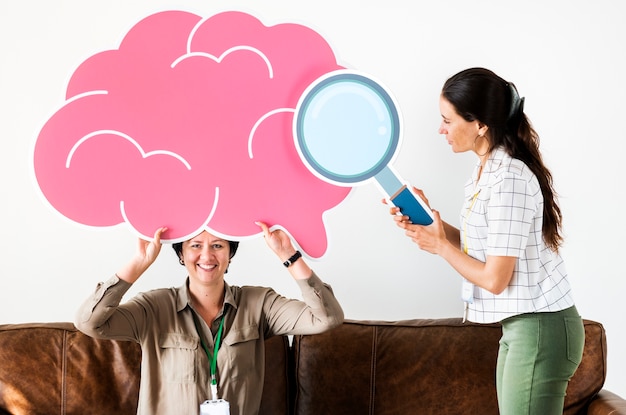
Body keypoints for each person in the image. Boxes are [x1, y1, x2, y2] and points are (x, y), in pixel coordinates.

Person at [390, 67, 584, 414]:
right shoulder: (486, 172)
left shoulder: (508, 177)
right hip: (523, 327)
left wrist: (441, 246)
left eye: (447, 121)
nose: (440, 129)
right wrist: (432, 221)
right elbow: (491, 247)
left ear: (480, 124)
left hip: (539, 327)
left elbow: (496, 278)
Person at [75, 222, 344, 415]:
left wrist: (290, 256)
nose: (207, 256)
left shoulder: (259, 303)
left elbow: (327, 318)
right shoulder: (153, 308)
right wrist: (138, 263)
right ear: (181, 254)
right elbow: (90, 322)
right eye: (195, 246)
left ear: (230, 254)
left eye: (217, 245)